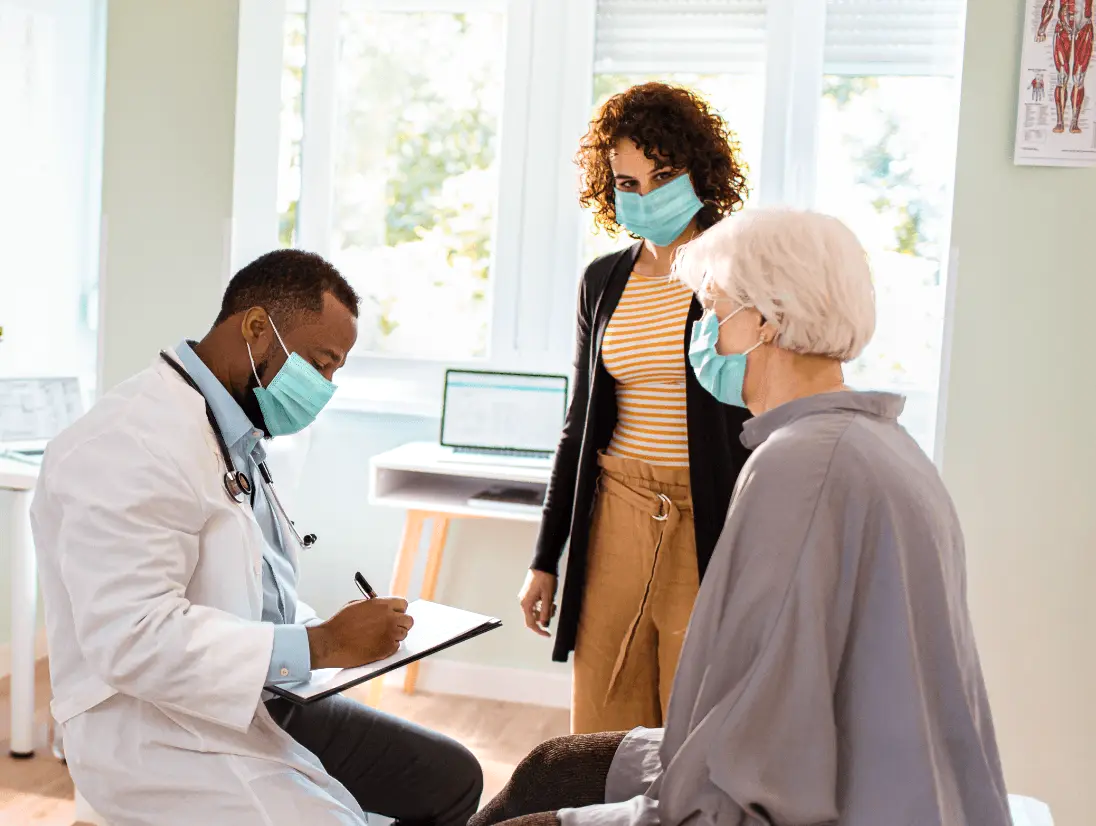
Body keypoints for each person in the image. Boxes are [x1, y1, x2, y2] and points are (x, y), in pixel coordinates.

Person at [479, 208, 1011, 826]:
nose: (702, 333)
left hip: (811, 790)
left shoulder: (801, 469)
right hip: (853, 768)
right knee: (552, 766)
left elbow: (756, 762)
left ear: (766, 320)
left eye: (712, 309)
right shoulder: (883, 445)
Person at [31, 250, 483, 826]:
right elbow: (132, 639)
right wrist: (319, 646)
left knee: (450, 777)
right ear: (254, 328)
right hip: (152, 727)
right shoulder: (128, 442)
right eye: (320, 365)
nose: (323, 389)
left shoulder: (231, 430)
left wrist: (327, 633)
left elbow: (247, 584)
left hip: (258, 697)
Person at [518, 82, 753, 735]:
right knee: (603, 711)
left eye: (664, 175)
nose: (646, 196)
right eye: (629, 181)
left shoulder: (740, 272)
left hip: (708, 517)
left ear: (699, 171)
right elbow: (579, 427)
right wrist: (545, 558)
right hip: (616, 511)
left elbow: (763, 416)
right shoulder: (602, 281)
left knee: (694, 715)